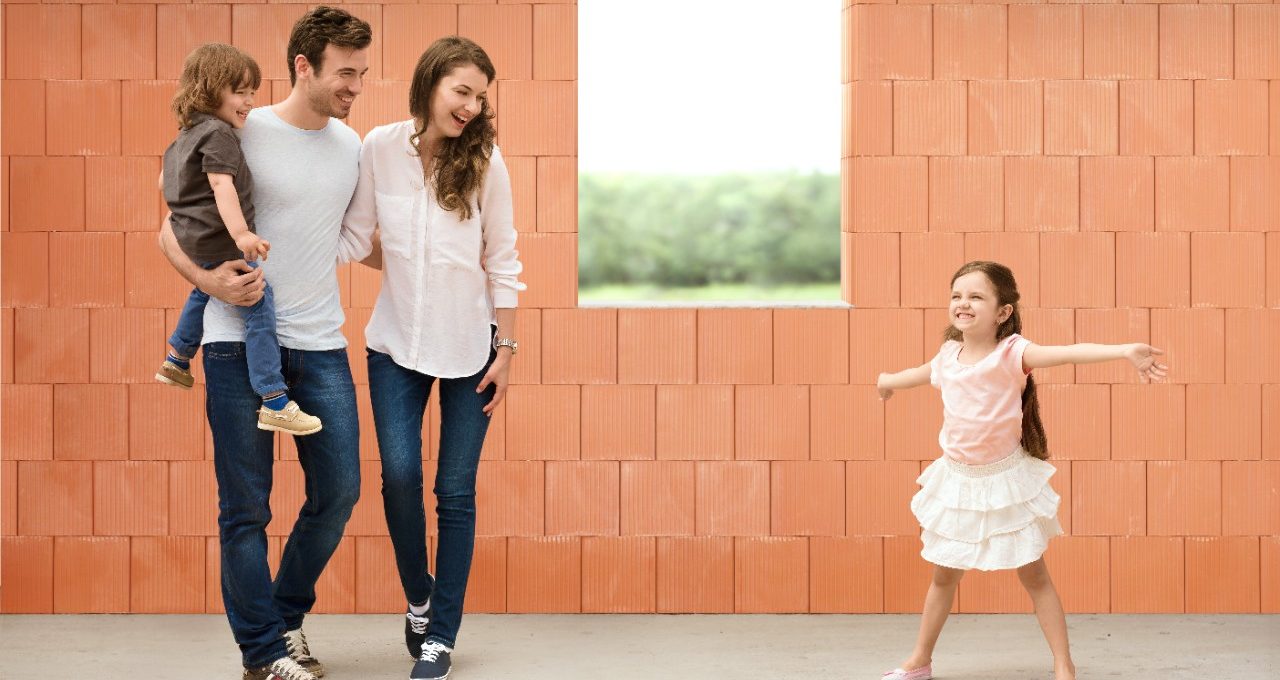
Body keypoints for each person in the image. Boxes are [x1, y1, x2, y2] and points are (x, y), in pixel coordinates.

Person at [157, 7, 371, 680]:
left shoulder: (352, 147)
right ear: (304, 65)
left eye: (362, 74)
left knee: (338, 491)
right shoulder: (241, 132)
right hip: (232, 344)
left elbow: (354, 241)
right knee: (245, 508)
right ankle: (264, 654)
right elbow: (170, 227)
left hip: (320, 343)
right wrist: (208, 280)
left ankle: (283, 620)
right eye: (345, 72)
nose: (355, 86)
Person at [874, 261, 1168, 680]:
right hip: (958, 482)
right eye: (957, 295)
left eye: (976, 296)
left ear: (1002, 312)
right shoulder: (947, 358)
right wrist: (886, 380)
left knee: (1034, 575)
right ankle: (919, 660)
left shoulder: (1012, 354)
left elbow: (1068, 355)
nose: (963, 303)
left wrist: (1123, 351)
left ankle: (1064, 665)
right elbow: (916, 376)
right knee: (943, 576)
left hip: (1004, 481)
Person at [338, 36, 525, 680]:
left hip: (471, 346)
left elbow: (502, 258)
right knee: (399, 479)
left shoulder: (486, 162)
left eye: (480, 96)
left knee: (455, 491)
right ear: (429, 85)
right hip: (395, 344)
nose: (471, 106)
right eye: (461, 90)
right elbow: (359, 238)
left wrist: (506, 350)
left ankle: (440, 634)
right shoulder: (378, 148)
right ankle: (418, 596)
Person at [156, 42, 321, 436]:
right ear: (211, 88)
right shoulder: (219, 134)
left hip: (194, 238)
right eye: (240, 92)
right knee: (260, 306)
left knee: (203, 292)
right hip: (219, 239)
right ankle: (274, 399)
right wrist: (242, 233)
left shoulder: (186, 135)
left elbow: (164, 182)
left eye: (252, 92)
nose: (249, 102)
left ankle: (178, 358)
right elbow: (220, 183)